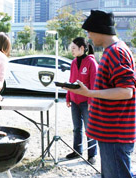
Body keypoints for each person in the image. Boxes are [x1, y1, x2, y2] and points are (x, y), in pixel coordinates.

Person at [64, 10, 136, 178]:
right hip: (112, 133)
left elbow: (126, 92)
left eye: (89, 32)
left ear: (99, 30)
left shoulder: (115, 52)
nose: (89, 37)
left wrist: (89, 92)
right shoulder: (114, 49)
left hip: (115, 133)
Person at [65, 37, 98, 164]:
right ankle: (77, 151)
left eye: (74, 48)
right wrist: (68, 97)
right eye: (71, 48)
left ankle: (92, 154)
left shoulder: (91, 62)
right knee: (76, 128)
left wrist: (91, 101)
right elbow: (71, 80)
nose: (72, 50)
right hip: (75, 101)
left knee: (89, 128)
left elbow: (94, 83)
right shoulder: (73, 62)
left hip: (86, 102)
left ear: (82, 48)